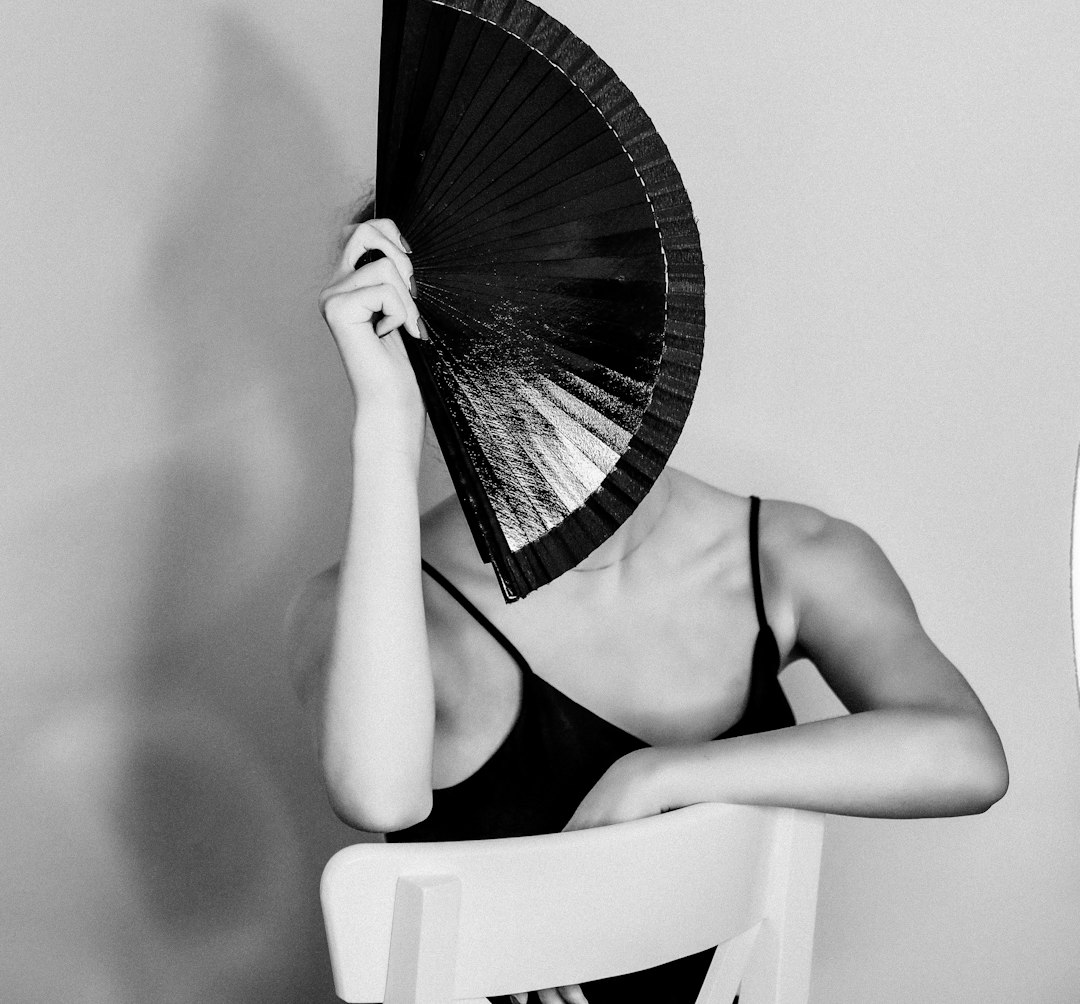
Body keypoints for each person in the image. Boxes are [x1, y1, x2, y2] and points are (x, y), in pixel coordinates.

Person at [287, 211, 1008, 1004]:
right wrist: (385, 427)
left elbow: (967, 757)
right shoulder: (375, 604)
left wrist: (661, 775)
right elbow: (377, 799)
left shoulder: (794, 555)